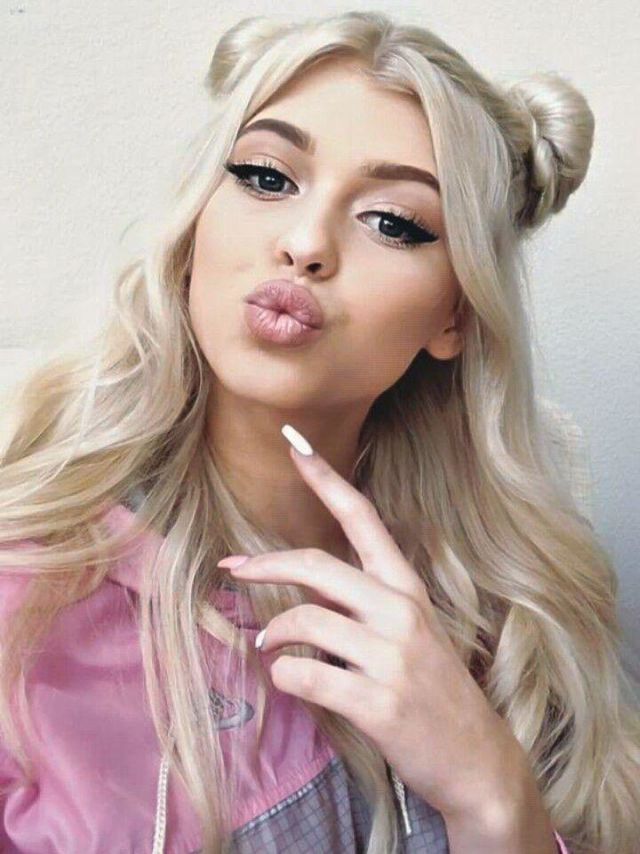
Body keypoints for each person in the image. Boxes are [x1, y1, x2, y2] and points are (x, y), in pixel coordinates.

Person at [1, 9, 638, 853]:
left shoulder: (513, 617)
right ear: (198, 220)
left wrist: (493, 799)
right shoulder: (28, 595)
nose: (304, 244)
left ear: (454, 314)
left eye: (393, 222)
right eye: (266, 177)